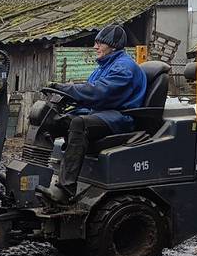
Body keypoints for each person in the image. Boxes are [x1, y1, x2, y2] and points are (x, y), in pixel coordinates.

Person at [40, 24, 147, 202]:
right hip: (103, 113)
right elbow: (88, 94)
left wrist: (65, 88)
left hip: (121, 117)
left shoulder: (124, 67)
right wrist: (67, 98)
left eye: (100, 43)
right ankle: (36, 174)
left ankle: (66, 190)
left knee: (78, 123)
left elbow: (98, 91)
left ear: (113, 45)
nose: (95, 46)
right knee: (55, 120)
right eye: (96, 42)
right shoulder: (103, 67)